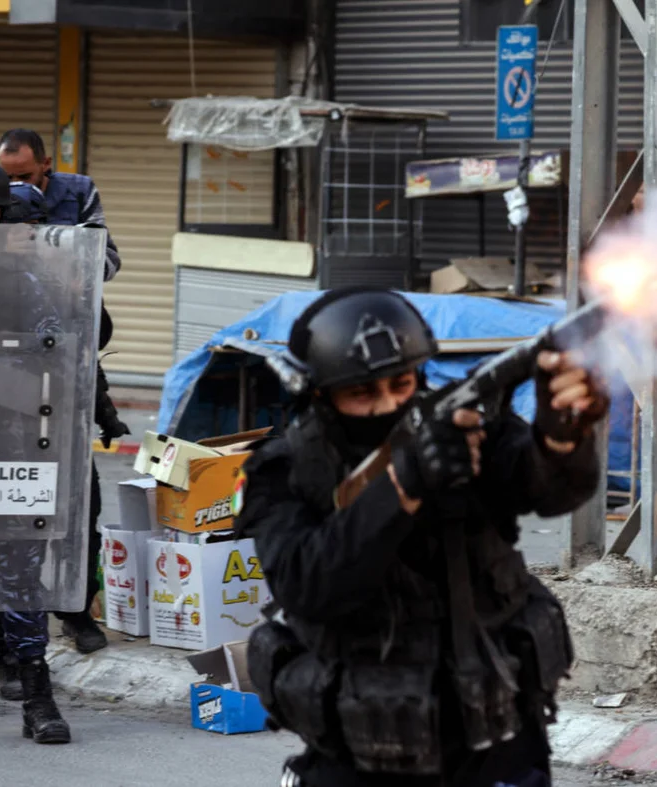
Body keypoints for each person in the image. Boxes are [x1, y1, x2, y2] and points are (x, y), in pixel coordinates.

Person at [234, 288, 606, 787]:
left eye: (401, 383)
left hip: (495, 731)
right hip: (367, 747)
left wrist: (561, 437)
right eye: (362, 394)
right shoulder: (284, 471)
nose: (388, 402)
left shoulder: (463, 425)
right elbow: (309, 585)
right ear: (320, 395)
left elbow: (550, 492)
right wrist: (403, 486)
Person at [0, 128, 125, 655]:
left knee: (79, 505)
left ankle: (75, 609)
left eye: (23, 179)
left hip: (64, 368)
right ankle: (7, 640)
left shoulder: (77, 193)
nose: (9, 193)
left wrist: (75, 272)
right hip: (8, 403)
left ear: (46, 167)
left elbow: (106, 260)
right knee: (9, 523)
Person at [0, 165, 73, 744]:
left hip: (12, 450)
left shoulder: (19, 277)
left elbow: (58, 338)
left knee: (19, 574)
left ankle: (37, 696)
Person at [0, 128, 121, 281]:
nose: (17, 184)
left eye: (25, 176)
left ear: (46, 163)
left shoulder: (79, 190)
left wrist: (71, 254)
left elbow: (110, 260)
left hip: (70, 300)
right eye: (8, 177)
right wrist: (3, 250)